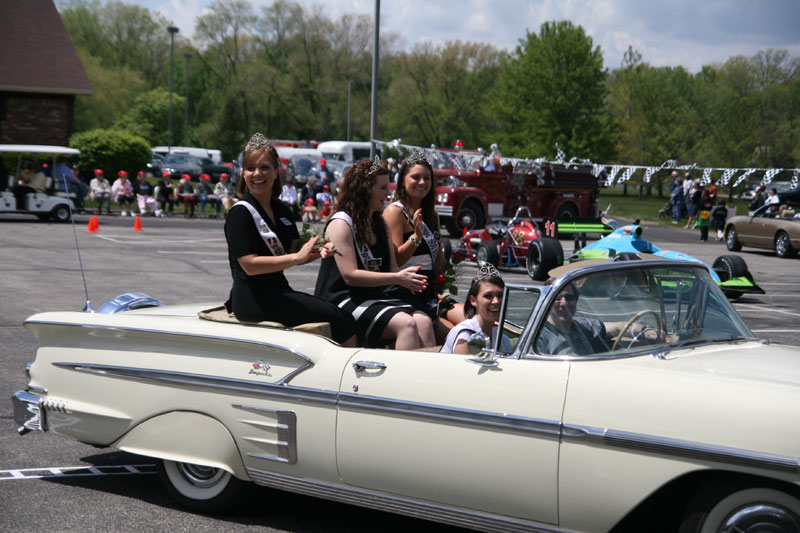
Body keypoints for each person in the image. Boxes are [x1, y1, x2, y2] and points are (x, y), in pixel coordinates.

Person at [224, 132, 357, 347]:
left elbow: (299, 249)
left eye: (265, 167)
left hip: (279, 292)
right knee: (342, 321)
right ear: (243, 174)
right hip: (252, 299)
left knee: (340, 316)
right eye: (250, 168)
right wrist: (296, 257)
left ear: (277, 172)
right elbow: (250, 265)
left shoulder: (283, 209)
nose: (257, 174)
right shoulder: (240, 213)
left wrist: (323, 248)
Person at [315, 158, 433, 349]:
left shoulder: (380, 224)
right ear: (365, 188)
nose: (388, 194)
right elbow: (350, 276)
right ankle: (398, 379)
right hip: (342, 299)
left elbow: (393, 267)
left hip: (372, 296)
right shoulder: (341, 223)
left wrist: (407, 278)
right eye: (383, 188)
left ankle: (424, 378)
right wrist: (398, 277)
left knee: (424, 322)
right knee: (406, 324)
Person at [383, 149, 465, 342]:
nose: (422, 182)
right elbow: (396, 260)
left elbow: (438, 260)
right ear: (403, 179)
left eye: (427, 178)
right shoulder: (395, 212)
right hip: (406, 293)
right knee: (459, 338)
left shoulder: (432, 214)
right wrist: (416, 237)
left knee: (470, 321)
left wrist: (441, 286)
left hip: (431, 293)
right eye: (416, 177)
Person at [535, 282, 657, 356]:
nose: (564, 303)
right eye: (557, 298)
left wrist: (647, 331)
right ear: (547, 302)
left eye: (569, 297)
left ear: (576, 300)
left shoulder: (581, 326)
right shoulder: (539, 336)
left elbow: (619, 327)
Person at [440, 265, 512, 354]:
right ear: (473, 301)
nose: (496, 301)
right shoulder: (466, 337)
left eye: (500, 295)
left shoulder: (503, 340)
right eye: (488, 296)